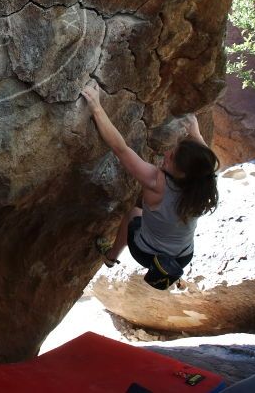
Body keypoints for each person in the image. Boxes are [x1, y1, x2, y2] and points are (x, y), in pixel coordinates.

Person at [80, 83, 219, 281]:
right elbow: (207, 162)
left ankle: (110, 256)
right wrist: (196, 134)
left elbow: (120, 148)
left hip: (148, 255)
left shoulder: (157, 182)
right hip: (182, 257)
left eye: (171, 159)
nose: (167, 154)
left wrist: (96, 107)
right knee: (146, 215)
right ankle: (116, 259)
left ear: (181, 174)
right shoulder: (206, 184)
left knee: (134, 214)